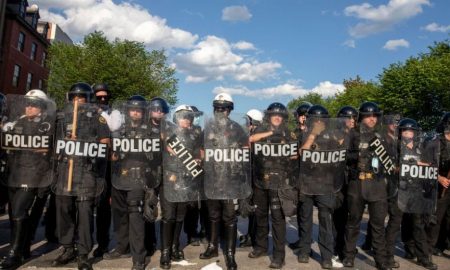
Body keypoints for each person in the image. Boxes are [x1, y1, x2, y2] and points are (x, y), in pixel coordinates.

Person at [52, 82, 110, 270]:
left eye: (82, 97)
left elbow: (105, 143)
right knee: (64, 208)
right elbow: (51, 143)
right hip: (65, 170)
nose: (78, 101)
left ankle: (84, 254)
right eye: (75, 98)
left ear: (88, 98)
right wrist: (64, 143)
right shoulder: (60, 117)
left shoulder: (97, 118)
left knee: (85, 212)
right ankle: (68, 248)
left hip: (86, 171)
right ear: (70, 98)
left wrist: (84, 143)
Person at [0, 90, 56, 269]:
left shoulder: (48, 124)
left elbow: (48, 148)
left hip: (34, 174)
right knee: (14, 214)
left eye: (34, 104)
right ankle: (23, 247)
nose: (29, 107)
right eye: (28, 104)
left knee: (18, 211)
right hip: (14, 173)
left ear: (41, 107)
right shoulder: (19, 122)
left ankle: (14, 253)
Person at [342, 101, 394, 270]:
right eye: (368, 116)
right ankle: (348, 256)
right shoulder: (352, 135)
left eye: (374, 116)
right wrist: (358, 155)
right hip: (357, 183)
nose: (372, 119)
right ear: (361, 117)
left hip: (377, 185)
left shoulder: (382, 137)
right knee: (353, 222)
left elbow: (390, 161)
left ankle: (381, 260)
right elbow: (342, 157)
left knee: (378, 225)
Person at [200, 93, 250, 270]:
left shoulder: (237, 128)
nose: (220, 111)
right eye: (217, 108)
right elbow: (201, 150)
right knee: (213, 215)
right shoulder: (208, 127)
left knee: (229, 218)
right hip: (213, 179)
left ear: (230, 110)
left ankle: (230, 254)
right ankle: (213, 247)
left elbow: (245, 151)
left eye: (224, 108)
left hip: (230, 179)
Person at [296, 105, 346, 269]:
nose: (318, 122)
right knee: (305, 219)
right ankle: (304, 251)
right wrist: (313, 134)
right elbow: (302, 153)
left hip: (325, 184)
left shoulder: (331, 137)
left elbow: (340, 154)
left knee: (325, 220)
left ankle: (326, 256)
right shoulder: (302, 134)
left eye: (321, 120)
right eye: (315, 119)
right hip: (307, 183)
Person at [248, 102, 297, 269]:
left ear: (283, 117)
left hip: (279, 182)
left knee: (278, 219)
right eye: (274, 115)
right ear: (269, 116)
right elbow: (250, 140)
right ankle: (261, 248)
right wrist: (270, 132)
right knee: (260, 216)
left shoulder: (289, 133)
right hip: (260, 180)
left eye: (280, 115)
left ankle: (278, 256)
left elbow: (296, 153)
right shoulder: (260, 129)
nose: (277, 117)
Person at [160, 105, 203, 269]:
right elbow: (163, 146)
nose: (186, 120)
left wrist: (199, 160)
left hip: (186, 180)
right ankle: (165, 252)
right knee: (168, 216)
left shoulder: (195, 135)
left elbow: (199, 154)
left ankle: (175, 246)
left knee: (179, 216)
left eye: (188, 117)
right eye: (183, 117)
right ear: (176, 118)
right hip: (170, 179)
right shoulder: (167, 133)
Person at [397, 118, 437, 270]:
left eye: (410, 131)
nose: (408, 134)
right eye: (405, 131)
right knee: (403, 222)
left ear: (414, 133)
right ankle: (408, 249)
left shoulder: (421, 148)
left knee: (418, 223)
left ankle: (423, 258)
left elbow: (430, 164)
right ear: (401, 133)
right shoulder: (397, 147)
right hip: (400, 189)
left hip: (416, 189)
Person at [333, 105, 357, 261]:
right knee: (338, 216)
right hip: (338, 180)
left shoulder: (359, 135)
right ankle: (338, 248)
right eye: (349, 118)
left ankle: (349, 250)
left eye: (354, 117)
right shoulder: (335, 134)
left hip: (355, 181)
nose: (352, 121)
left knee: (353, 217)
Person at [92, 83, 113, 258]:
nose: (103, 99)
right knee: (83, 207)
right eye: (99, 97)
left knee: (103, 207)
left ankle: (103, 243)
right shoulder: (84, 114)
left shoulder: (114, 115)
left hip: (105, 167)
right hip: (85, 167)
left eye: (106, 97)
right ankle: (81, 241)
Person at [426, 113, 450, 261]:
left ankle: (442, 245)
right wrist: (439, 178)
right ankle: (427, 250)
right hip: (439, 186)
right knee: (436, 218)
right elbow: (425, 166)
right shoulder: (435, 143)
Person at [239, 109, 263, 248]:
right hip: (249, 176)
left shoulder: (258, 136)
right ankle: (250, 235)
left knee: (256, 209)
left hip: (257, 177)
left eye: (248, 121)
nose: (246, 124)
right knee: (250, 209)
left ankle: (254, 238)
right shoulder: (250, 134)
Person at [289, 102, 312, 251]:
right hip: (297, 175)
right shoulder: (294, 134)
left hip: (312, 176)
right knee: (300, 211)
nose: (303, 118)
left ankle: (306, 243)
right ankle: (303, 239)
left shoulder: (315, 133)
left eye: (306, 115)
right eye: (301, 115)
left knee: (307, 212)